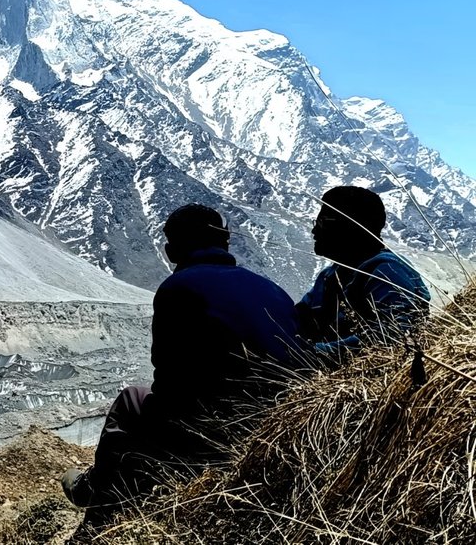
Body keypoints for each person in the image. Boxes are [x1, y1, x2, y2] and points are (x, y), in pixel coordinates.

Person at [62, 204, 300, 517]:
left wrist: (157, 434)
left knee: (131, 400)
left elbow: (169, 374)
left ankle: (97, 492)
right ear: (226, 243)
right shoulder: (274, 289)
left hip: (217, 430)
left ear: (171, 251)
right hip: (279, 423)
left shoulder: (179, 288)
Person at [297, 185, 430, 360]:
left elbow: (394, 335)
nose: (315, 230)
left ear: (348, 228)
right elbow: (299, 317)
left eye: (323, 223)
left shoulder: (386, 271)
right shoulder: (330, 276)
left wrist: (314, 353)